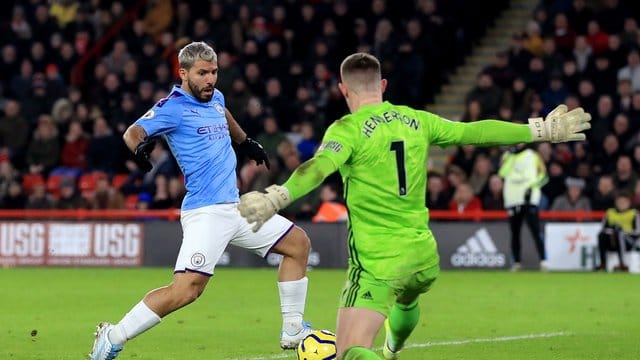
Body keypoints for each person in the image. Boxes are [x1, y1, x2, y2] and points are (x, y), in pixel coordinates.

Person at [237, 53, 591, 360]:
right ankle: (393, 347)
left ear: (343, 90)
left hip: (379, 262)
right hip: (423, 255)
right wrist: (539, 130)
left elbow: (318, 168)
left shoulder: (347, 129)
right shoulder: (417, 120)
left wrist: (277, 197)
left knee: (350, 351)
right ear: (383, 85)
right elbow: (475, 132)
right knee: (406, 299)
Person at [88, 42, 313, 359]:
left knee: (298, 244)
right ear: (183, 73)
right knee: (186, 290)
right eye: (203, 73)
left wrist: (245, 141)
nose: (211, 80)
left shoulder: (215, 97)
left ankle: (293, 329)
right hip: (206, 212)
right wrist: (139, 148)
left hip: (235, 208)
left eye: (214, 72)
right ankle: (112, 336)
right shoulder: (172, 107)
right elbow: (133, 131)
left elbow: (224, 113)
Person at [498, 143, 548, 271]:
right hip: (513, 199)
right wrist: (511, 156)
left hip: (529, 198)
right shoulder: (507, 156)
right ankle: (516, 262)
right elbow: (502, 173)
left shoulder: (533, 155)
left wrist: (532, 187)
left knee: (536, 231)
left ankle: (544, 261)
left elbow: (544, 176)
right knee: (515, 233)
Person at [595, 191, 640, 272]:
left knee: (620, 234)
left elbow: (637, 231)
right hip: (613, 239)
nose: (621, 204)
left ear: (629, 203)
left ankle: (623, 264)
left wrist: (624, 231)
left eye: (624, 202)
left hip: (629, 241)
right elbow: (603, 228)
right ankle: (603, 264)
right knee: (601, 235)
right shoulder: (610, 212)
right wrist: (613, 231)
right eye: (619, 202)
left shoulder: (634, 213)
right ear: (616, 202)